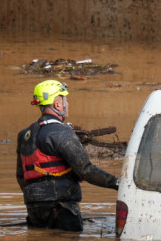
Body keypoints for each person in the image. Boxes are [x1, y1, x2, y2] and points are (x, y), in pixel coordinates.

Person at [16, 79, 119, 231]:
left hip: (34, 208)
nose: (67, 104)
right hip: (62, 207)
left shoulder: (24, 134)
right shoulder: (61, 131)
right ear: (58, 105)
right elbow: (86, 170)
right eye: (66, 100)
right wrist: (118, 184)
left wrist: (38, 198)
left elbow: (21, 176)